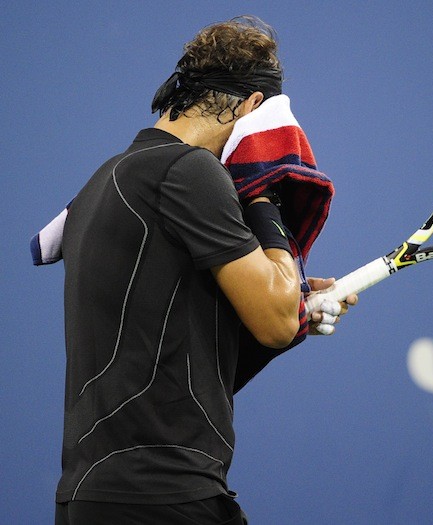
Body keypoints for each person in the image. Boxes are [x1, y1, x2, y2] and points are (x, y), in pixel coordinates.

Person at [48, 16, 357, 525]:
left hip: (93, 498)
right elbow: (275, 320)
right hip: (163, 498)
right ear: (255, 110)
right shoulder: (189, 172)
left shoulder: (105, 180)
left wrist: (294, 307)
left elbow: (187, 366)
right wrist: (264, 194)